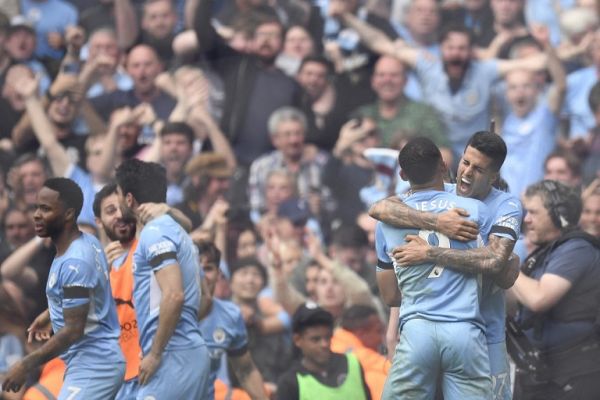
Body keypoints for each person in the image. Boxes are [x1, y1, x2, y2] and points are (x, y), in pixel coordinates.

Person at [371, 132, 523, 400]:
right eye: (465, 162)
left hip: (486, 331)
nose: (466, 172)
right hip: (457, 329)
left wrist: (430, 252)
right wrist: (437, 222)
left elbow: (497, 261)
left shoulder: (505, 205)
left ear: (494, 176)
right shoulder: (449, 192)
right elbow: (379, 209)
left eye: (478, 169)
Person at [2, 177, 125, 398]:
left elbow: (73, 330)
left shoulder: (75, 261)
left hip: (95, 364)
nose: (37, 215)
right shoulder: (85, 242)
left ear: (68, 214)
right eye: (38, 207)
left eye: (46, 209)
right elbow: (89, 292)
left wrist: (25, 364)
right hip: (87, 362)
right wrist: (51, 313)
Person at [114, 159, 209, 399]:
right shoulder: (177, 231)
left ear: (129, 199)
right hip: (184, 352)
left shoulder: (155, 233)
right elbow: (204, 296)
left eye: (117, 194)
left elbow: (174, 294)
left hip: (172, 356)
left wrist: (155, 353)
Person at [509, 180, 600, 399]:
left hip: (573, 377)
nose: (526, 219)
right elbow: (513, 304)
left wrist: (504, 263)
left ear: (560, 215)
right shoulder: (548, 252)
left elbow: (539, 298)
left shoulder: (577, 248)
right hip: (545, 374)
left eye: (533, 212)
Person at [196, 241, 269, 400]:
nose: (201, 274)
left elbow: (246, 371)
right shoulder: (164, 312)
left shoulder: (230, 315)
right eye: (195, 267)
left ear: (219, 274)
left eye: (208, 268)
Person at [276, 303, 371, 400]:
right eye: (315, 339)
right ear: (298, 340)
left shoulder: (352, 364)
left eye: (327, 337)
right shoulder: (290, 383)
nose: (324, 344)